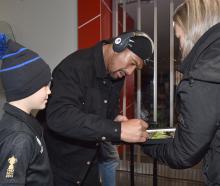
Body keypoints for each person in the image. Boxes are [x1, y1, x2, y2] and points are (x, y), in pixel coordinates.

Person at [44, 31, 153, 186]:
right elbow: (59, 116)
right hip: (59, 171)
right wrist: (117, 130)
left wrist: (115, 119)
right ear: (119, 43)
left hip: (90, 167)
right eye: (132, 62)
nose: (130, 72)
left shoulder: (116, 76)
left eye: (136, 68)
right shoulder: (74, 66)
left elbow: (105, 114)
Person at [142, 0, 220, 185]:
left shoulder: (203, 78)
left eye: (179, 37)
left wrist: (143, 140)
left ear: (194, 32)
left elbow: (184, 153)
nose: (180, 46)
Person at [0, 33, 53, 185]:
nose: (49, 91)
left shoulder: (24, 122)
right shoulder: (19, 138)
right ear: (26, 88)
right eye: (44, 86)